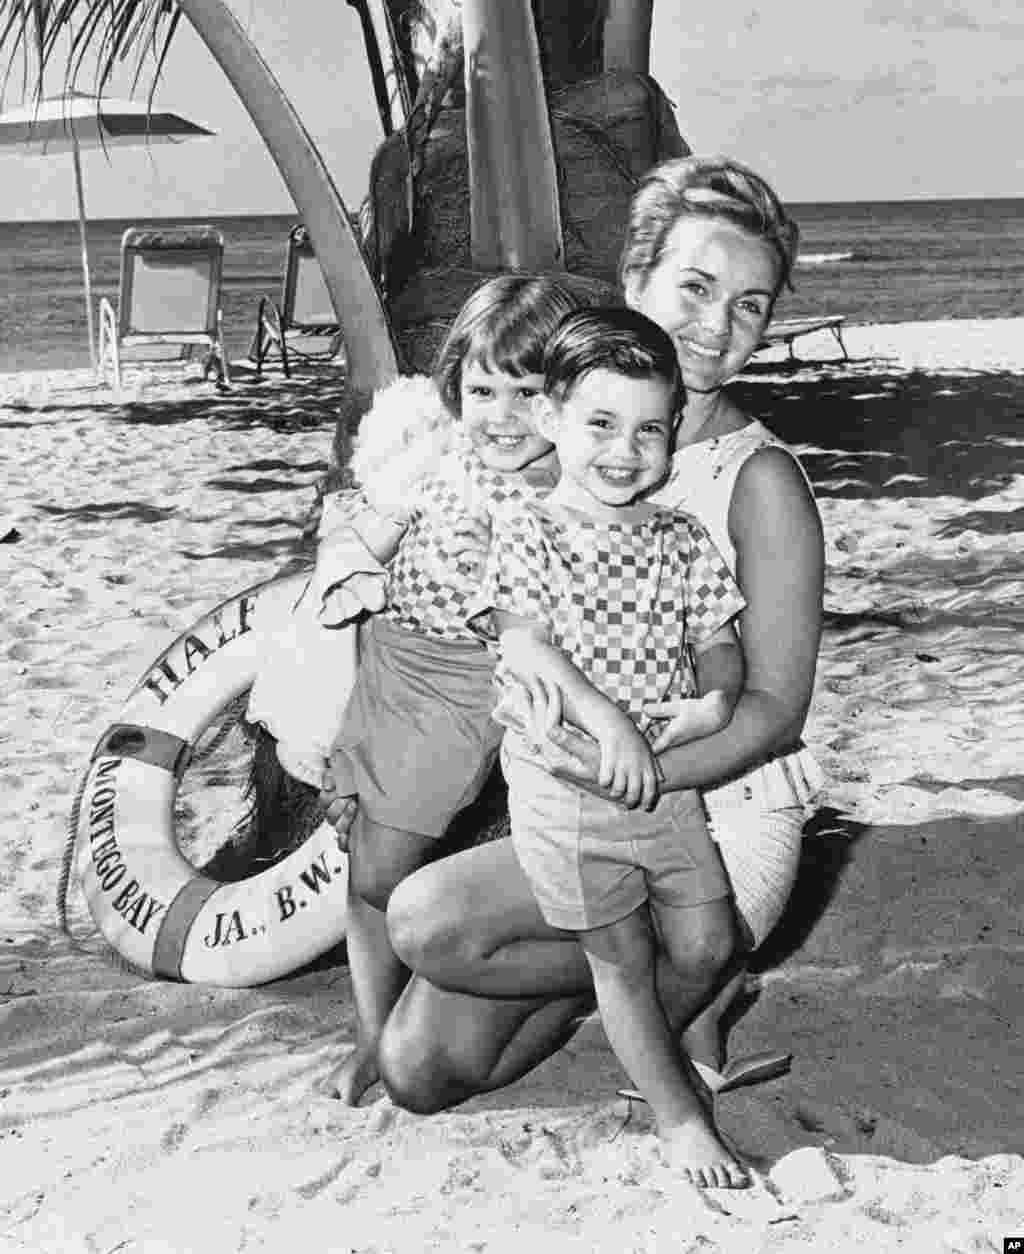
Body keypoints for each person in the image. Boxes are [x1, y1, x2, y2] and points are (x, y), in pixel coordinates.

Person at [372, 155, 825, 1134]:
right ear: (632, 284)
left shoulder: (760, 485)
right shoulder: (557, 434)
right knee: (417, 1067)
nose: (715, 323)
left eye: (749, 305)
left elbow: (774, 709)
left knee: (426, 921)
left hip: (711, 815)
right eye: (695, 287)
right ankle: (662, 982)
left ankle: (699, 960)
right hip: (568, 801)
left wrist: (628, 779)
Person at [472, 306, 750, 1186]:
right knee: (622, 959)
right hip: (572, 787)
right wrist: (611, 721)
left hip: (664, 785)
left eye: (649, 429)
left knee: (709, 943)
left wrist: (714, 703)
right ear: (552, 418)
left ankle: (644, 1048)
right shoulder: (531, 526)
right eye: (600, 424)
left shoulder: (679, 534)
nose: (624, 451)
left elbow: (718, 638)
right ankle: (677, 1117)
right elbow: (524, 642)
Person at [313, 274, 592, 1105]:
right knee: (362, 851)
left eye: (528, 393)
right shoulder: (440, 452)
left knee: (382, 867)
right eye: (482, 390)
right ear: (454, 388)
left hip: (462, 684)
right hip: (390, 658)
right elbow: (381, 525)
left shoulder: (564, 489)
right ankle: (374, 1032)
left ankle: (394, 1031)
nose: (502, 416)